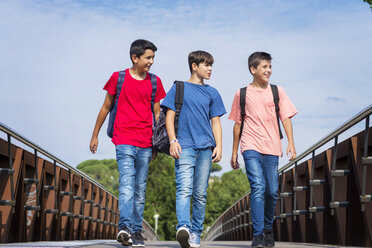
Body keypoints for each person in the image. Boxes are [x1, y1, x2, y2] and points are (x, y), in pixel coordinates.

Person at [89, 39, 166, 247]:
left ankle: (136, 231)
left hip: (146, 143)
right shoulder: (118, 78)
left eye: (153, 58)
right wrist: (95, 134)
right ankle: (124, 227)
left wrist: (157, 144)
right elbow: (105, 107)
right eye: (148, 57)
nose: (151, 61)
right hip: (123, 139)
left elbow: (158, 114)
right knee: (126, 185)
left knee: (140, 189)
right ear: (135, 57)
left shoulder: (155, 82)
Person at [229, 52, 297, 248]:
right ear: (253, 69)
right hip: (250, 146)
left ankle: (268, 229)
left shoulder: (278, 91)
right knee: (258, 187)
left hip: (272, 147)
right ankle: (258, 234)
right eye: (264, 67)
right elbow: (237, 125)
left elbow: (286, 118)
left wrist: (290, 143)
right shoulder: (241, 94)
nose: (268, 70)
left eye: (270, 67)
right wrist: (234, 152)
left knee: (272, 191)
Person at [161, 51, 226, 248]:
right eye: (206, 65)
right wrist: (173, 141)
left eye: (211, 65)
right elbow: (169, 117)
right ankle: (183, 227)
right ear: (194, 66)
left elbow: (216, 122)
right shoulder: (178, 88)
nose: (210, 69)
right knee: (184, 189)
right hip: (185, 146)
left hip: (206, 148)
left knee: (200, 193)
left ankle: (196, 232)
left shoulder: (212, 92)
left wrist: (219, 146)